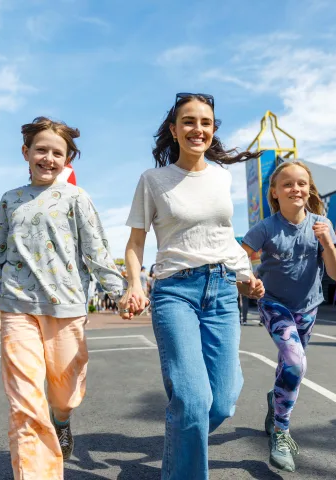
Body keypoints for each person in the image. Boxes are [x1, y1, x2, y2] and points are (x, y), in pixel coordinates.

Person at [0, 117, 126, 480]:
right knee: (25, 404)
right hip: (16, 307)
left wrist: (119, 291)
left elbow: (97, 252)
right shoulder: (10, 200)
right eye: (41, 149)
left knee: (64, 394)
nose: (48, 158)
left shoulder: (77, 198)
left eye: (58, 152)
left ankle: (62, 420)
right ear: (26, 152)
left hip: (66, 308)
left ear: (68, 159)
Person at [119, 93, 264, 480]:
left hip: (221, 289)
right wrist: (135, 284)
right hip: (175, 292)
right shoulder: (153, 180)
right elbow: (135, 243)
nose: (197, 128)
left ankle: (181, 449)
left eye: (205, 122)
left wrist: (245, 275)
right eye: (188, 121)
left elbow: (223, 236)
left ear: (213, 128)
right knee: (193, 400)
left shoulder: (221, 176)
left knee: (222, 402)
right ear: (173, 129)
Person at [242, 161, 336, 472]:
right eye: (287, 184)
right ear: (275, 192)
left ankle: (276, 400)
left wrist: (327, 242)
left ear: (309, 188)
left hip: (308, 307)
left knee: (290, 367)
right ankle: (281, 433)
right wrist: (248, 281)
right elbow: (240, 257)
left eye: (302, 183)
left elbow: (335, 273)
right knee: (296, 362)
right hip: (274, 305)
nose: (295, 188)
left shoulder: (321, 224)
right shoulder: (265, 228)